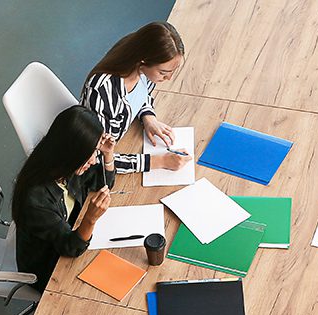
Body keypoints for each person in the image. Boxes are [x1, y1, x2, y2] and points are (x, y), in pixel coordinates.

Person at [13, 104, 116, 290]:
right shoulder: (36, 200)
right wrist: (90, 219)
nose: (94, 160)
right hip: (47, 268)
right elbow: (71, 247)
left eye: (96, 151)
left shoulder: (63, 166)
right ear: (72, 154)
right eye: (91, 154)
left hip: (68, 237)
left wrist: (108, 154)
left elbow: (99, 183)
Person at [80, 21, 188, 174]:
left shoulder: (142, 71)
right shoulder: (103, 90)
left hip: (124, 141)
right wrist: (159, 161)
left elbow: (142, 95)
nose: (168, 79)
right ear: (143, 62)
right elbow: (98, 157)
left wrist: (148, 117)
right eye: (163, 73)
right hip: (90, 168)